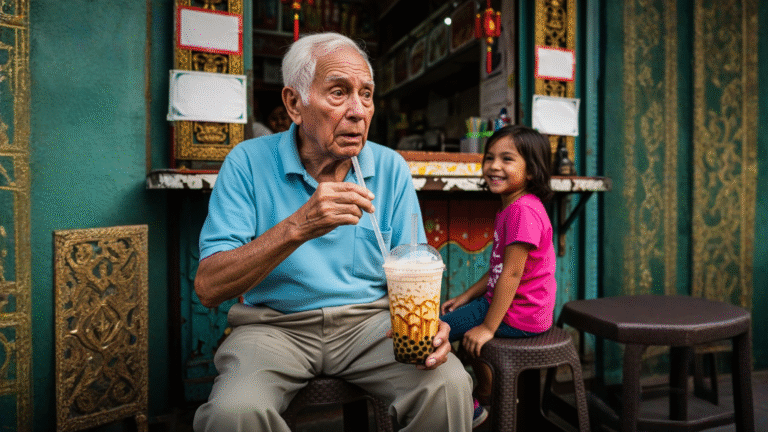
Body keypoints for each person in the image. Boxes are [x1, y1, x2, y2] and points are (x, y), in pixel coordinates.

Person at [192, 32, 473, 432]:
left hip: (372, 324)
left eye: (367, 95)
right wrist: (298, 226)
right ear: (294, 103)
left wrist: (429, 323)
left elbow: (414, 270)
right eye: (339, 93)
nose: (358, 111)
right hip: (274, 327)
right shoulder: (248, 162)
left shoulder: (389, 167)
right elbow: (208, 285)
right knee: (233, 414)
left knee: (448, 386)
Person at [440, 125, 557, 425]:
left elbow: (512, 274)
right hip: (521, 310)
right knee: (463, 332)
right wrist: (465, 296)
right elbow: (498, 270)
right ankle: (488, 391)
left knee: (431, 334)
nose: (494, 166)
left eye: (507, 159)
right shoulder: (514, 207)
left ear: (531, 171)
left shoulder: (522, 212)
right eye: (489, 157)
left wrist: (488, 327)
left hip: (517, 314)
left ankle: (469, 404)